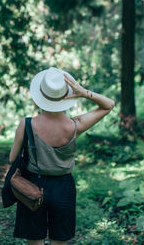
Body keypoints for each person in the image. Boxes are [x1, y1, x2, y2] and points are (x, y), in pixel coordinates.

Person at [9, 67, 115, 245]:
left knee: (35, 240)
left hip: (32, 185)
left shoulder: (26, 124)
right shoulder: (76, 125)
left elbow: (12, 159)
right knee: (60, 240)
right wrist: (83, 92)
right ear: (65, 96)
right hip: (64, 187)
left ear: (40, 96)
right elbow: (109, 105)